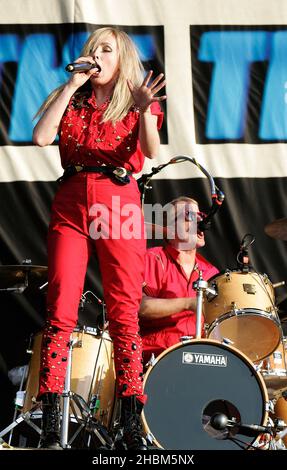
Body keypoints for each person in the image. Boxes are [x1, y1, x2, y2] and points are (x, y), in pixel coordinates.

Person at [32, 26, 165, 450]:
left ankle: (130, 423)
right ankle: (52, 420)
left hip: (117, 199)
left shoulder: (138, 102)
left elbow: (153, 150)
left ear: (122, 57)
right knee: (60, 307)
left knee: (124, 310)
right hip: (71, 202)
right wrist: (72, 82)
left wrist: (145, 111)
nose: (96, 55)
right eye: (92, 49)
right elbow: (39, 137)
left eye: (106, 49)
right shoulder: (73, 97)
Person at [139, 197, 219, 364]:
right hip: (156, 358)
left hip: (201, 360)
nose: (200, 221)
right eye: (189, 215)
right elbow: (138, 306)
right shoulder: (152, 259)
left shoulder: (212, 272)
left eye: (200, 216)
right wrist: (189, 303)